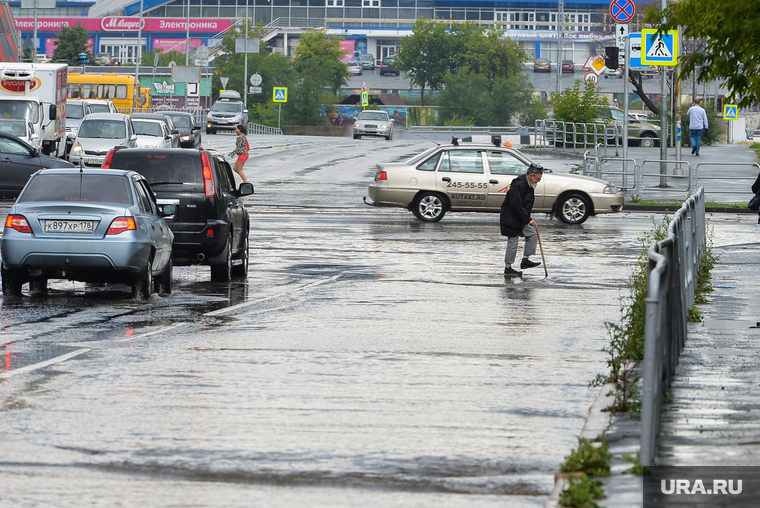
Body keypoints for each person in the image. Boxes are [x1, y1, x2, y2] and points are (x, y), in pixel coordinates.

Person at [500, 163, 544, 277]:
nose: (538, 181)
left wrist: (526, 218)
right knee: (513, 242)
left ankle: (525, 260)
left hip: (520, 217)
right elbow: (516, 205)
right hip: (511, 217)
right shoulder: (519, 185)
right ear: (531, 176)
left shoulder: (529, 184)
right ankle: (508, 268)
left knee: (532, 234)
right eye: (538, 178)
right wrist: (528, 219)